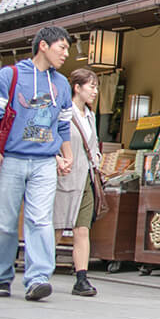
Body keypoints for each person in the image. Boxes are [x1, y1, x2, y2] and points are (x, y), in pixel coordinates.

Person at [0, 26, 74, 301]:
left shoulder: (61, 84)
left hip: (44, 162)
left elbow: (63, 124)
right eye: (61, 47)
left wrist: (67, 154)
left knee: (40, 220)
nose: (66, 53)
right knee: (3, 222)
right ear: (43, 45)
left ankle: (37, 278)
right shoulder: (10, 75)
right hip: (11, 158)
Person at [54, 68, 102, 297]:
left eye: (96, 86)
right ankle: (41, 272)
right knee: (56, 226)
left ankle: (81, 277)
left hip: (86, 177)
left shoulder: (91, 115)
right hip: (64, 175)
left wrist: (98, 160)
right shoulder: (64, 112)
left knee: (82, 229)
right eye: (91, 86)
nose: (95, 91)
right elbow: (53, 140)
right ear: (77, 87)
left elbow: (93, 145)